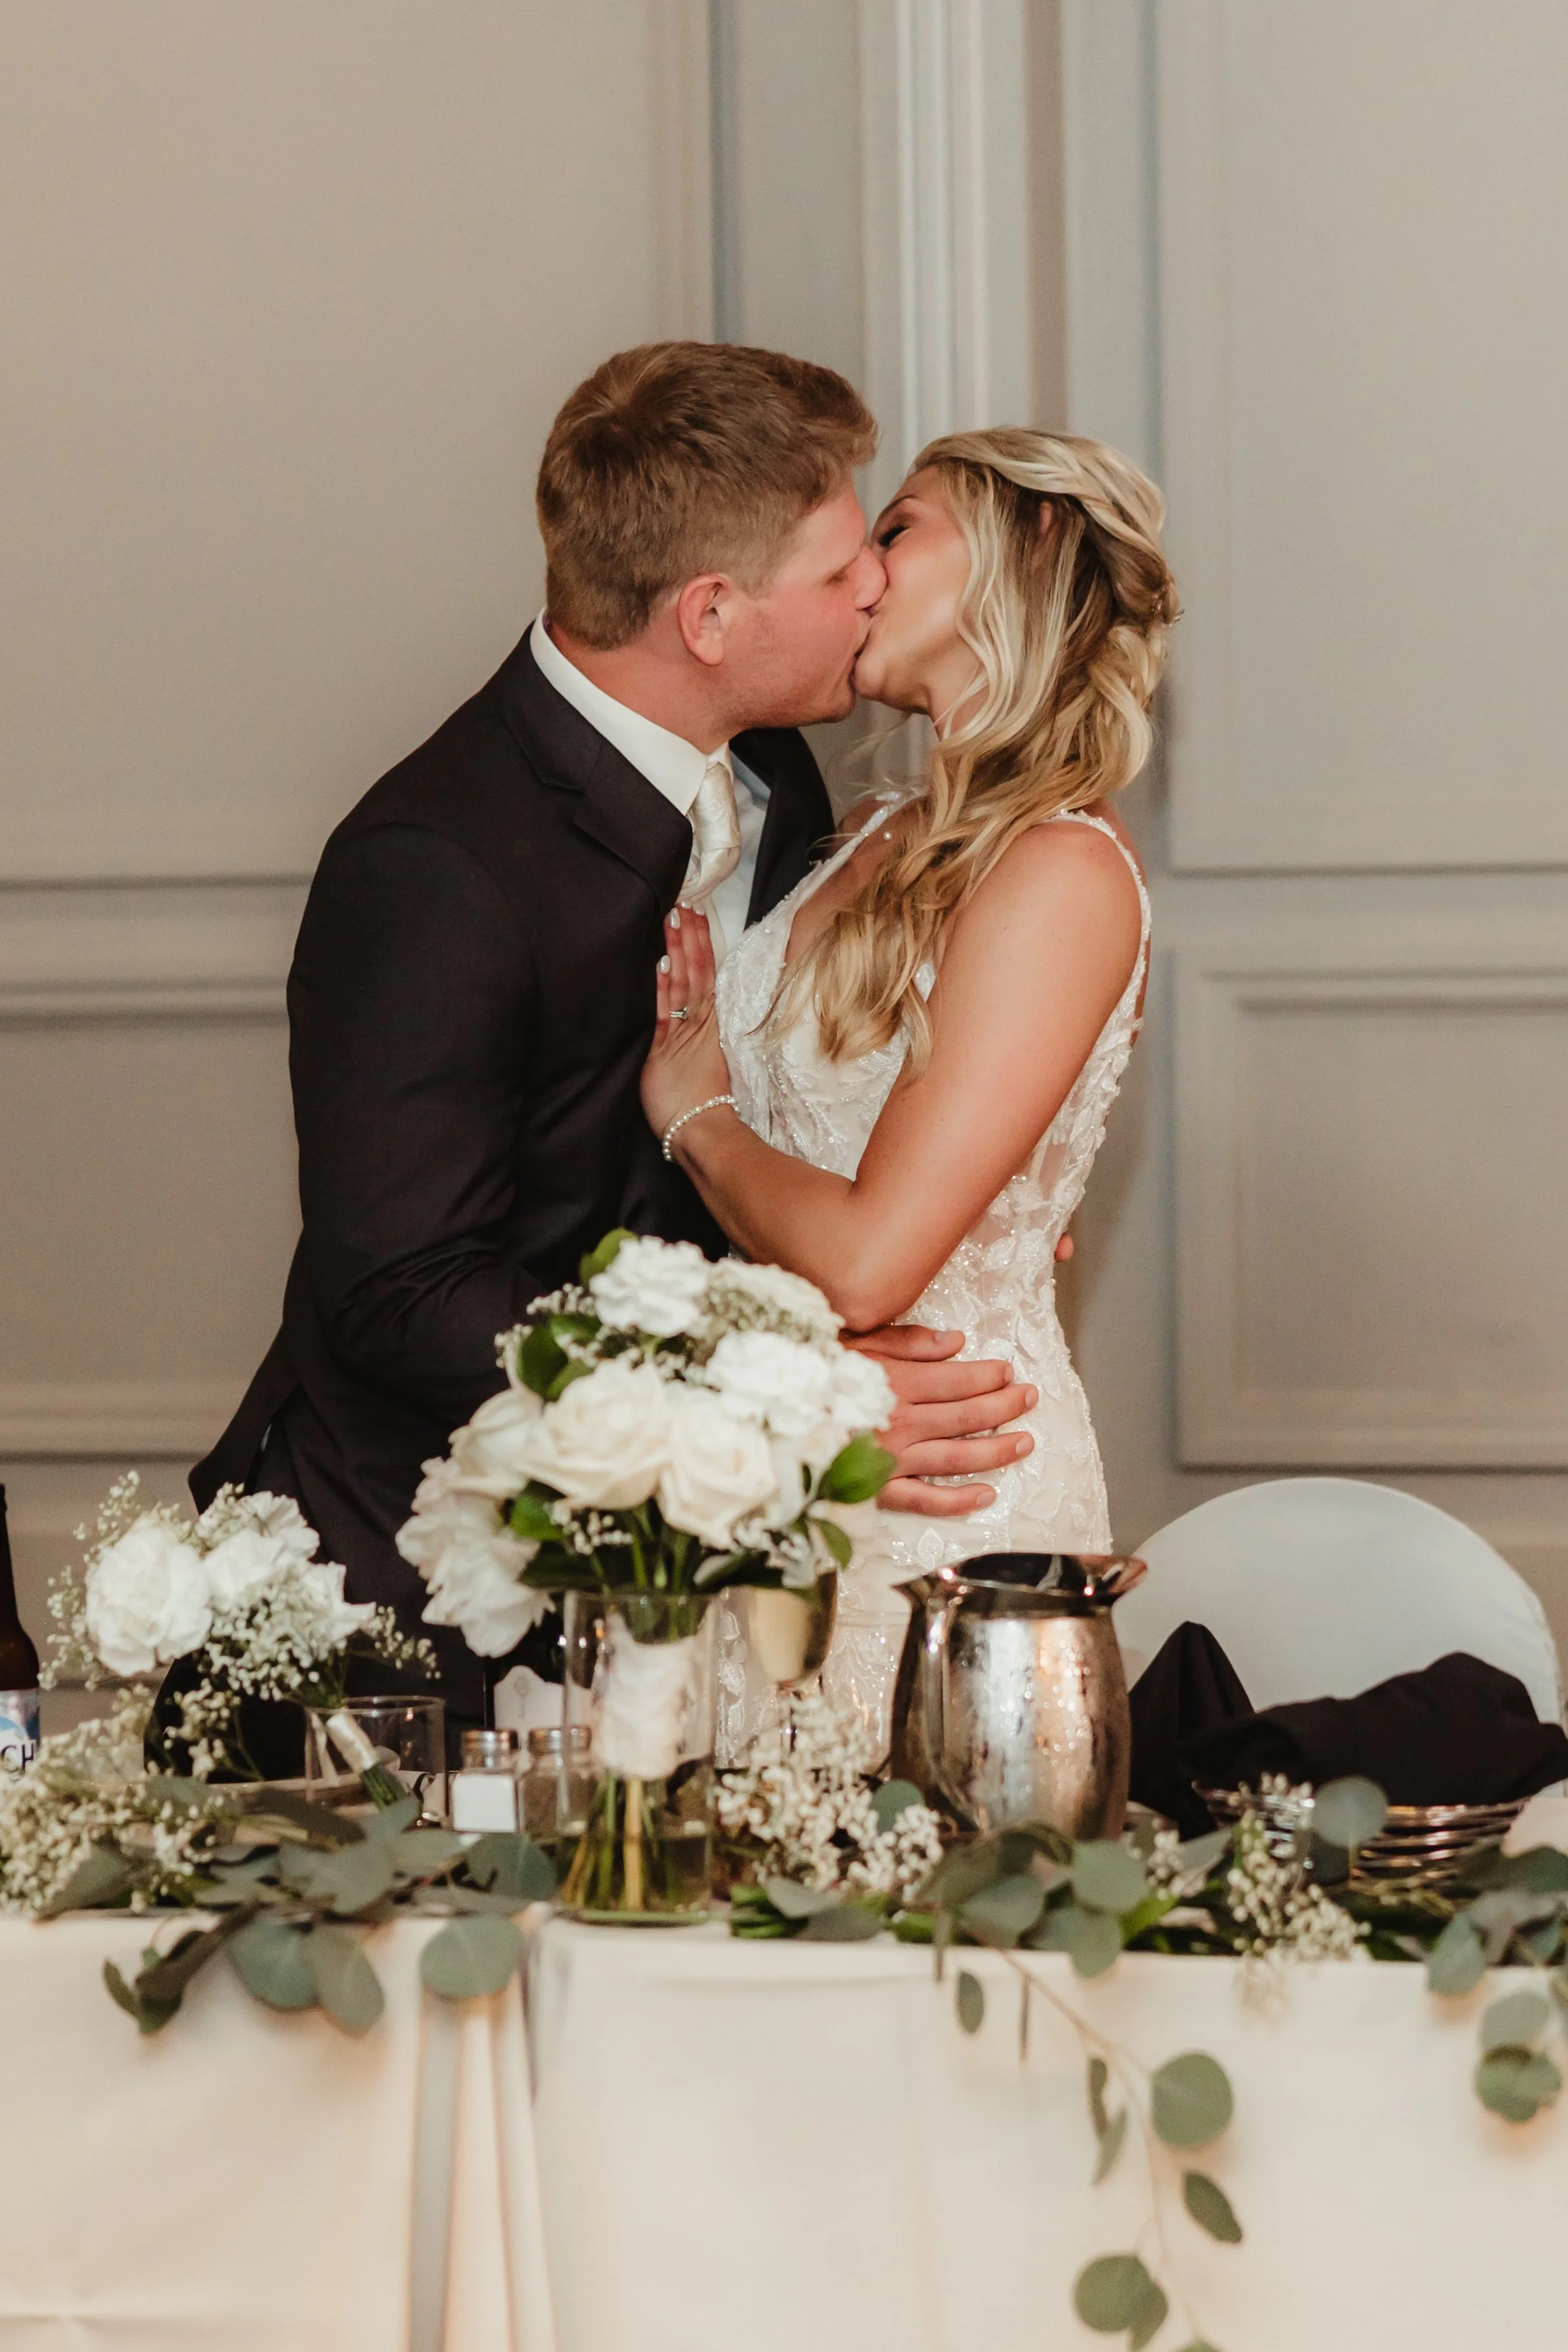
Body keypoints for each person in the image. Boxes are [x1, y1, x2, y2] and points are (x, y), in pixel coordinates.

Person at [191, 346, 1044, 1747]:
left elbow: (778, 1063)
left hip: (694, 1574)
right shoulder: (432, 865)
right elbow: (402, 1290)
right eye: (840, 573)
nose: (878, 586)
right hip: (425, 1592)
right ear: (709, 615)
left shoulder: (772, 763)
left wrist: (973, 1183)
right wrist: (783, 1409)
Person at [641, 426, 1176, 1706]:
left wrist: (693, 1114)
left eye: (896, 530)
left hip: (950, 1507)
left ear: (1028, 543)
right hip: (788, 1474)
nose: (861, 575)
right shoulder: (863, 833)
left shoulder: (1058, 872)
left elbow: (872, 1263)